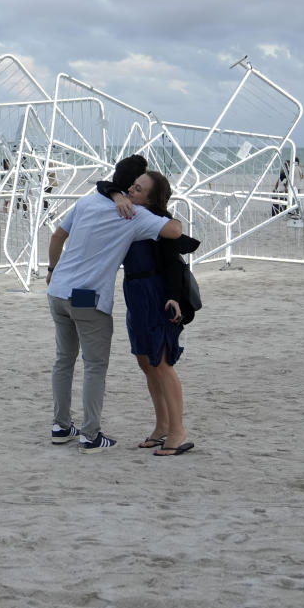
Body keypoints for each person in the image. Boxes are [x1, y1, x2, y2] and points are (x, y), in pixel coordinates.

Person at [46, 155, 182, 452]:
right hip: (85, 294)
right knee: (94, 365)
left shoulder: (86, 202)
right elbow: (174, 231)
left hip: (57, 289)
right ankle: (91, 434)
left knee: (64, 360)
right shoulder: (131, 213)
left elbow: (58, 236)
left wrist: (51, 269)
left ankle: (60, 425)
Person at [100, 171, 199, 456]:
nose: (131, 189)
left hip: (156, 293)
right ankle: (162, 426)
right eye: (132, 185)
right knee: (145, 362)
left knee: (162, 362)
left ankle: (178, 431)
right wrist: (118, 194)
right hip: (134, 291)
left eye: (138, 188)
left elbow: (171, 261)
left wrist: (172, 297)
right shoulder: (129, 209)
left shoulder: (157, 223)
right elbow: (105, 184)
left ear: (151, 198)